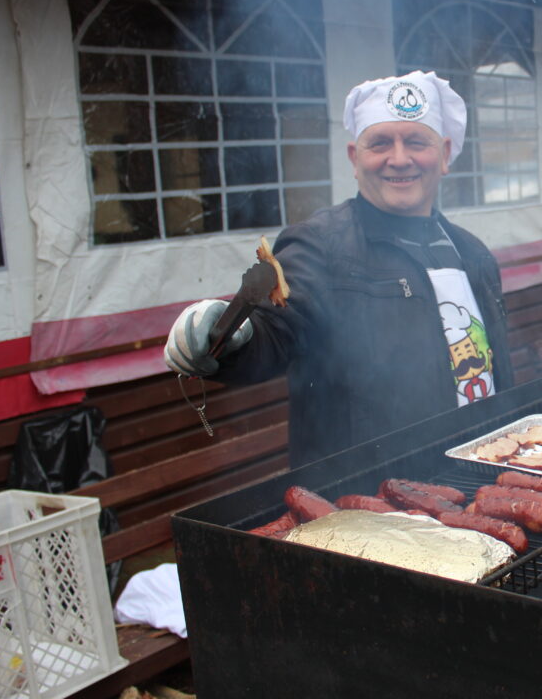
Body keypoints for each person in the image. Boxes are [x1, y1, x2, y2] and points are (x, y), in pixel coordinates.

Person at [164, 71, 513, 467]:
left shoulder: (474, 253)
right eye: (380, 143)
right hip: (370, 500)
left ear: (446, 154)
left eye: (416, 142)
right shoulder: (320, 245)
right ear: (354, 158)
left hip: (483, 481)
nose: (399, 159)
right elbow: (275, 331)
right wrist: (227, 336)